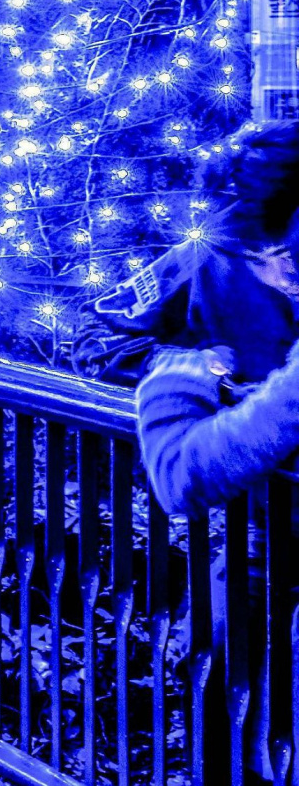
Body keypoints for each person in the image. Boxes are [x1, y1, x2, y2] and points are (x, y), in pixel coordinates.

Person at [132, 125, 299, 511]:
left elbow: (179, 475)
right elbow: (102, 333)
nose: (285, 281)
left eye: (288, 257)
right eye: (259, 260)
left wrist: (179, 377)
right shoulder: (206, 256)